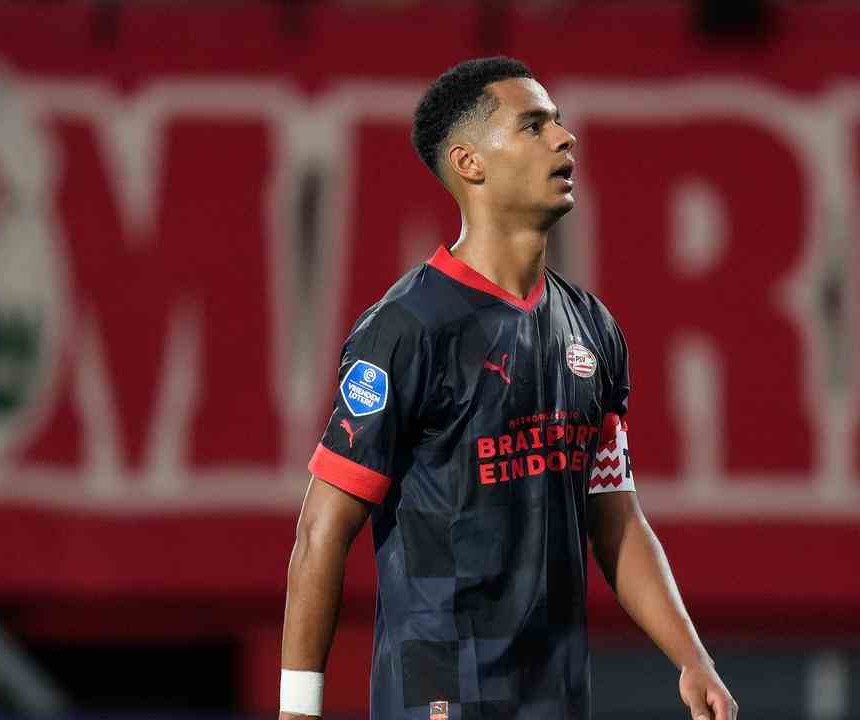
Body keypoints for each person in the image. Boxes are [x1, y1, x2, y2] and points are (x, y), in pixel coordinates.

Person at [279, 57, 738, 720]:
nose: (565, 137)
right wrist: (298, 712)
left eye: (558, 121)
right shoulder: (407, 331)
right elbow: (322, 530)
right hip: (438, 698)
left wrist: (694, 659)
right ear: (471, 164)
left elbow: (616, 517)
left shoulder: (591, 328)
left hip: (554, 698)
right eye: (534, 125)